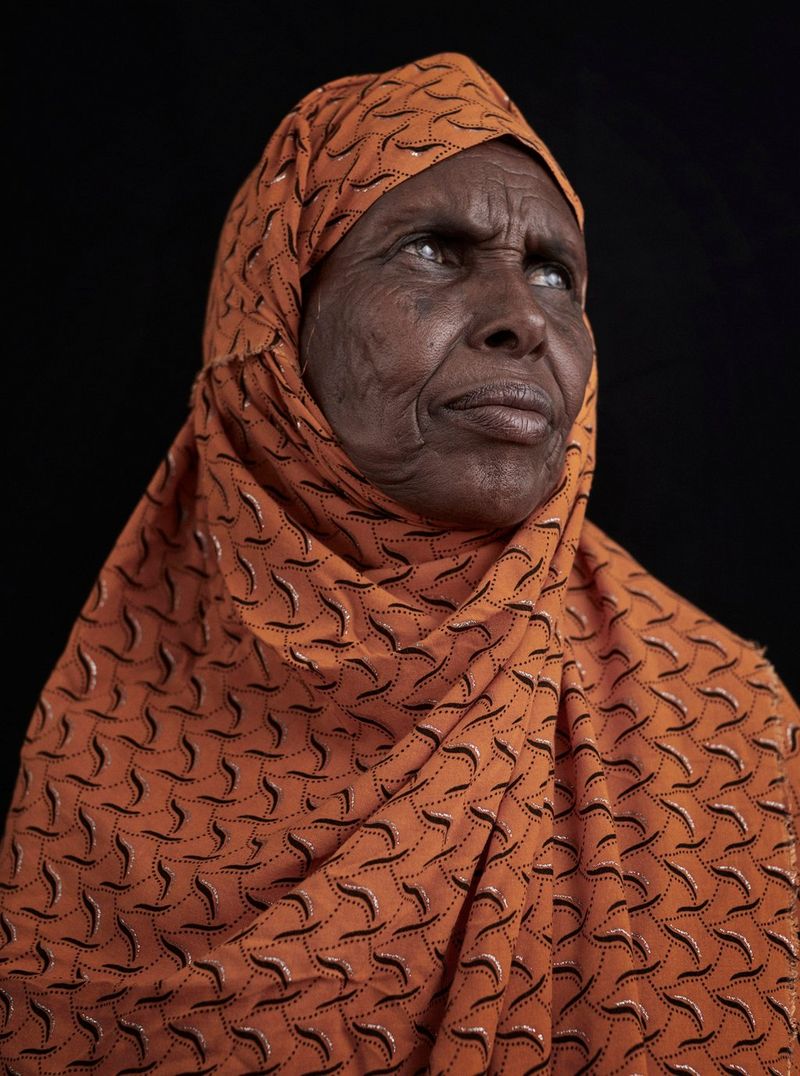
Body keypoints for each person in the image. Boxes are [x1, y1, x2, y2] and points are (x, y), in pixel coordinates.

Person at [0, 51, 796, 1074]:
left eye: (555, 271)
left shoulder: (724, 728)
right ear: (278, 316)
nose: (526, 317)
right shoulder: (107, 719)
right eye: (430, 249)